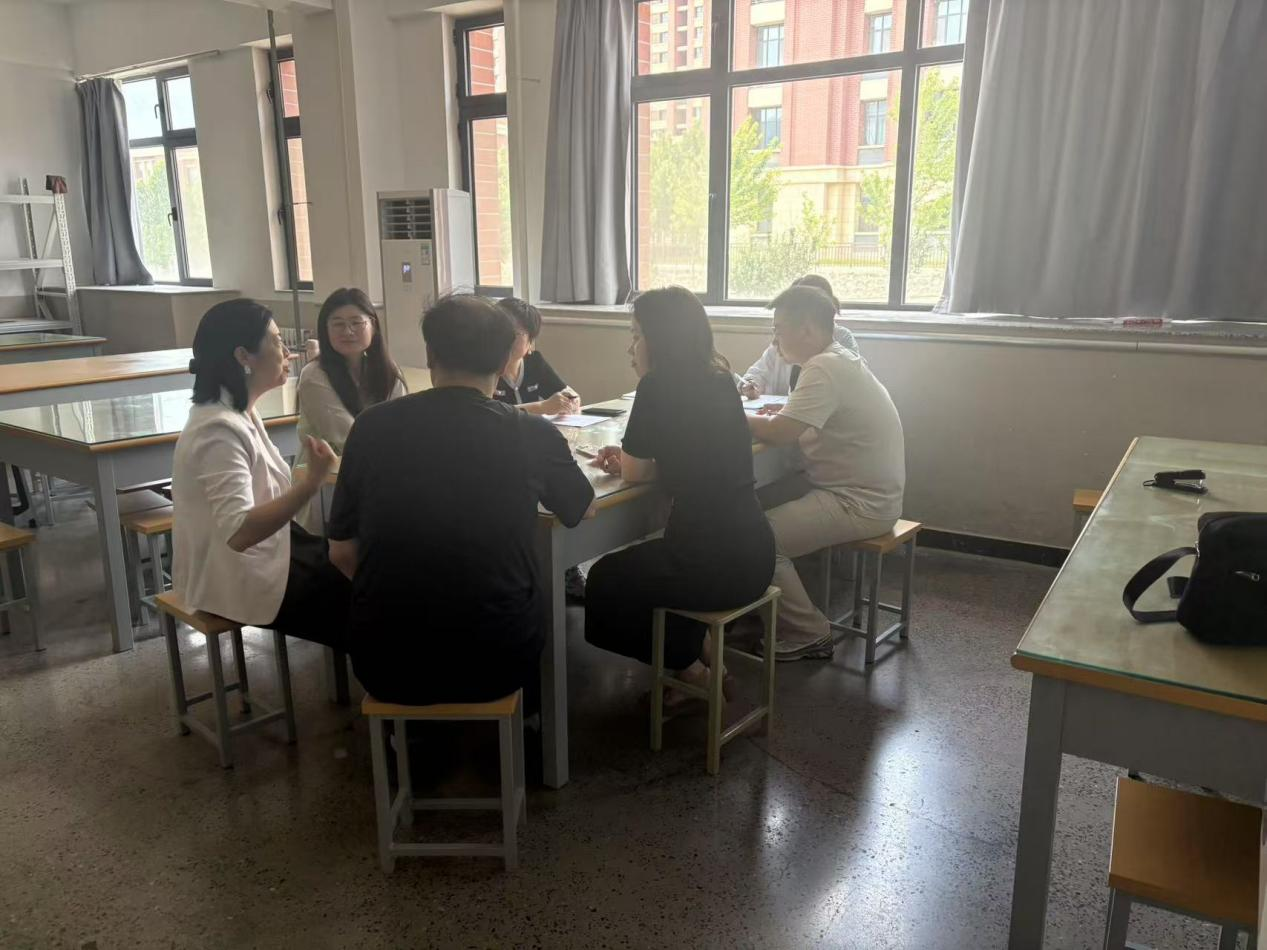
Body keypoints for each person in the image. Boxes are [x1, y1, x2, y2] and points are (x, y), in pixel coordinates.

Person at [326, 295, 595, 705]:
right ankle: (530, 724)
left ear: (430, 354)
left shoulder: (370, 427)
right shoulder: (532, 433)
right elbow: (581, 507)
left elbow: (341, 552)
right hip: (498, 656)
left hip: (386, 657)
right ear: (505, 361)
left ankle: (406, 733)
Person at [585, 287, 775, 701]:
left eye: (636, 334)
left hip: (708, 562)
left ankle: (693, 673)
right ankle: (704, 661)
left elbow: (636, 471)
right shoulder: (721, 379)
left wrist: (627, 460)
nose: (631, 347)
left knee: (604, 582)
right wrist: (637, 459)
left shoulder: (656, 385)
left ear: (659, 338)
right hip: (755, 551)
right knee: (646, 574)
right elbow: (691, 454)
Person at [172, 298, 348, 648]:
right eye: (277, 341)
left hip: (270, 550)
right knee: (367, 600)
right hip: (236, 575)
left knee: (361, 568)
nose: (287, 352)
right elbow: (239, 532)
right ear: (244, 356)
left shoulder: (239, 411)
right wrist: (311, 483)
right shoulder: (217, 429)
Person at [746, 284, 905, 660]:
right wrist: (783, 414)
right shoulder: (838, 359)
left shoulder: (823, 367)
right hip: (863, 493)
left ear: (806, 329)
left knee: (755, 539)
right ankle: (757, 604)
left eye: (779, 329)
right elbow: (799, 419)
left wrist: (731, 414)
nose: (775, 340)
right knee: (749, 508)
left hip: (858, 502)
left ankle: (808, 631)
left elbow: (781, 432)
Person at [294, 287, 406, 534]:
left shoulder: (387, 370)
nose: (348, 331)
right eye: (338, 324)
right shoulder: (314, 375)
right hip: (329, 483)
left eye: (356, 322)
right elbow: (347, 436)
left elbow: (400, 425)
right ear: (325, 330)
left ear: (373, 325)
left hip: (378, 476)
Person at [739, 274, 860, 398]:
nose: (775, 340)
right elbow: (756, 373)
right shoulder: (783, 339)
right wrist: (749, 384)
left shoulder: (836, 349)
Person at [493, 297, 580, 415]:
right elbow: (489, 413)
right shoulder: (485, 368)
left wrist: (570, 401)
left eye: (516, 333)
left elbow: (567, 393)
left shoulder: (534, 362)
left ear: (531, 341)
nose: (507, 339)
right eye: (501, 331)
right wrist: (541, 407)